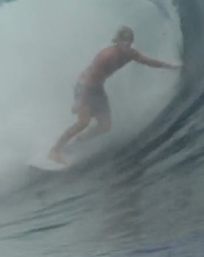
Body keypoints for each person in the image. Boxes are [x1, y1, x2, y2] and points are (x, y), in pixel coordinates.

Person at [48, 26, 179, 165]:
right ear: (117, 41)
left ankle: (74, 145)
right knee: (83, 122)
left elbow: (148, 61)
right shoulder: (106, 56)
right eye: (124, 41)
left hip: (97, 88)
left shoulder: (130, 54)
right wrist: (80, 101)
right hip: (84, 86)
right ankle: (54, 151)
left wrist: (169, 66)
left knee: (105, 126)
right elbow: (89, 79)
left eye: (129, 41)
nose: (126, 44)